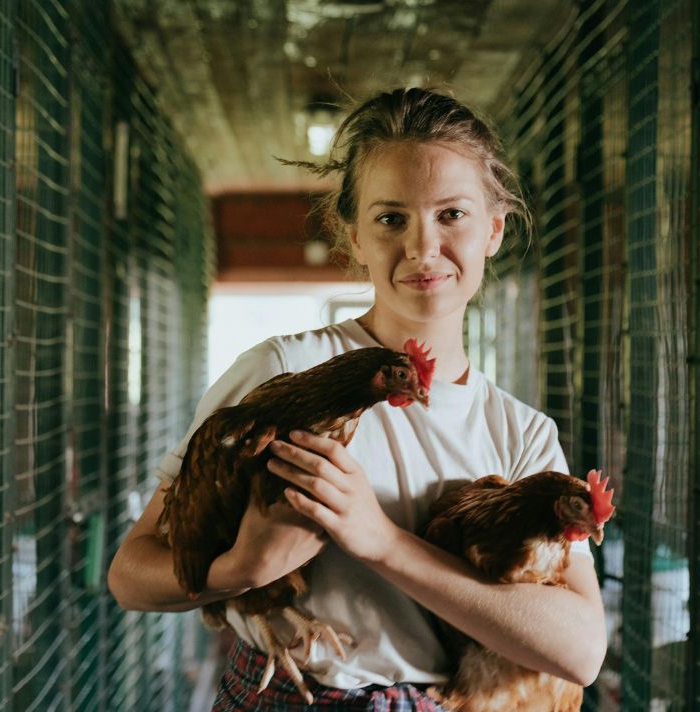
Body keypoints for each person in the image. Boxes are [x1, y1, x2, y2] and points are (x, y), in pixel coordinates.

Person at [108, 87, 606, 709]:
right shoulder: (284, 372)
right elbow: (131, 573)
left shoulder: (522, 433)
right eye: (391, 219)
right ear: (355, 237)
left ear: (494, 230)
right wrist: (239, 570)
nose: (422, 247)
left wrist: (383, 543)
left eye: (452, 214)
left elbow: (582, 651)